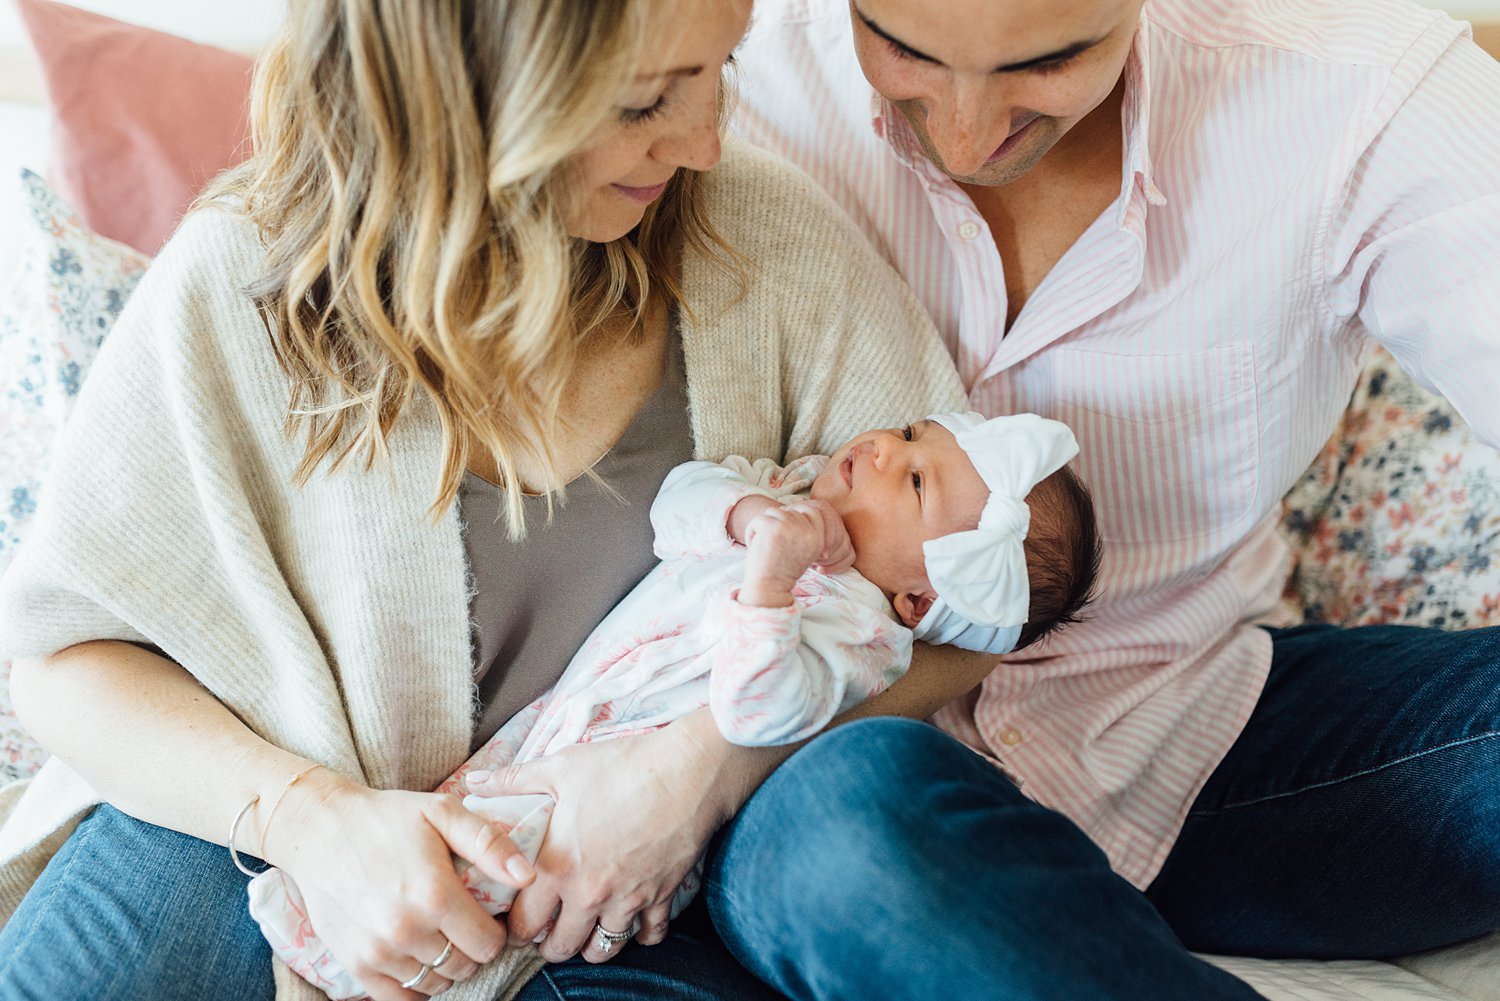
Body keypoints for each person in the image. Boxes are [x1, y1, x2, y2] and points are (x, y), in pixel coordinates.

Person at [0, 2, 1009, 1000]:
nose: (705, 140)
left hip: (607, 912)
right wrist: (313, 820)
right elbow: (61, 657)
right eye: (641, 101)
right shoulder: (244, 279)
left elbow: (975, 607)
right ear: (463, 91)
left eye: (719, 67)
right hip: (245, 828)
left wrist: (701, 767)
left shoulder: (766, 238)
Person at [703, 0, 1500, 994]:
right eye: (901, 49)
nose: (966, 135)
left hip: (1193, 733)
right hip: (833, 774)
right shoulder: (722, 78)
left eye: (1050, 61)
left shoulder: (1355, 92)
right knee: (857, 833)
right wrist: (684, 771)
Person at [249, 411, 1102, 999]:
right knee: (464, 813)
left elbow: (760, 712)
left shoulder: (863, 634)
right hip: (580, 708)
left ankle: (349, 959)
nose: (882, 447)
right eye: (912, 434)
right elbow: (678, 505)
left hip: (636, 759)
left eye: (913, 479)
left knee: (509, 871)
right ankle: (337, 933)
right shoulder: (790, 493)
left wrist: (770, 581)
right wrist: (746, 514)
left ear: (920, 599)